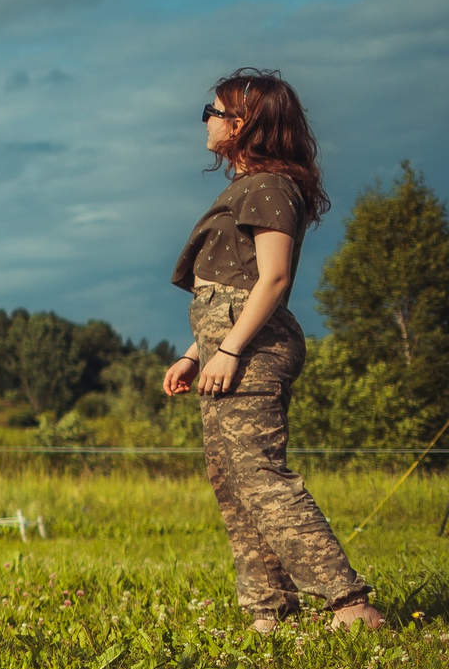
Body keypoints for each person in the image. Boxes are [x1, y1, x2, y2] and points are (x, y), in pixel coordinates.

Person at [162, 71, 384, 634]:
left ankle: (351, 606)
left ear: (244, 123)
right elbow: (230, 291)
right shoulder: (249, 187)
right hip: (229, 349)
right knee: (232, 482)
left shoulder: (268, 186)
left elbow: (274, 279)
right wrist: (196, 352)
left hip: (253, 352)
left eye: (212, 111)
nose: (206, 120)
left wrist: (231, 349)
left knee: (259, 475)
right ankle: (270, 612)